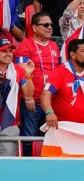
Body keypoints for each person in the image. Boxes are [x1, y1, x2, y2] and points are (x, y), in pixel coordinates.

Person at [15, 12, 60, 156]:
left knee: (51, 140)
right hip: (32, 102)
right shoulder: (25, 45)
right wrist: (27, 97)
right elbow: (21, 73)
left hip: (51, 102)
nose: (49, 28)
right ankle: (28, 171)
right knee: (29, 140)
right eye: (45, 25)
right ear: (34, 27)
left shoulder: (54, 45)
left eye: (51, 25)